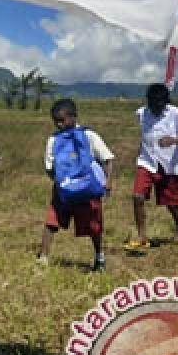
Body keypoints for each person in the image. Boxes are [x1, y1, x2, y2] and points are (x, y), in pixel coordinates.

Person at [36, 98, 115, 272]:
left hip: (87, 190)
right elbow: (49, 166)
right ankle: (43, 257)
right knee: (52, 221)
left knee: (93, 225)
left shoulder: (89, 136)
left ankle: (99, 256)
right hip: (63, 189)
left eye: (62, 120)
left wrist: (108, 182)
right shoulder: (53, 140)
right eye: (55, 121)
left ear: (74, 117)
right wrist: (59, 182)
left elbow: (107, 159)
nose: (59, 124)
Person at [125, 82, 178, 252]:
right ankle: (142, 236)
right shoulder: (142, 113)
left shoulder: (175, 113)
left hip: (168, 165)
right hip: (146, 162)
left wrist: (172, 140)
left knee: (172, 204)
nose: (156, 107)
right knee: (137, 196)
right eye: (152, 104)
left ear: (165, 102)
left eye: (159, 104)